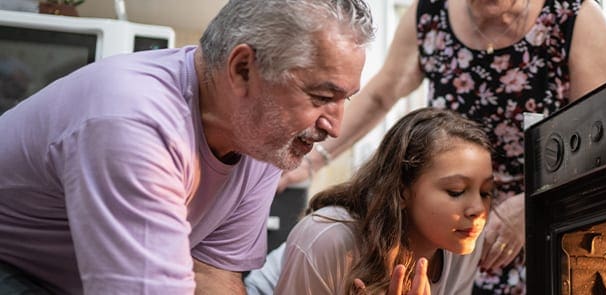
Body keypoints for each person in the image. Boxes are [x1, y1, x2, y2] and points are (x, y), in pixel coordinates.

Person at [0, 0, 374, 294]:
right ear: (243, 69)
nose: (335, 126)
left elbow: (212, 273)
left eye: (346, 100)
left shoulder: (260, 137)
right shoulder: (132, 122)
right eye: (322, 96)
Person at [277, 0, 606, 293]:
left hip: (547, 215)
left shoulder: (573, 17)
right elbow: (382, 92)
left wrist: (538, 202)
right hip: (448, 225)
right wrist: (310, 160)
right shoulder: (430, 13)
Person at [275, 107, 495, 294]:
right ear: (401, 192)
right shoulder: (327, 239)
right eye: (456, 191)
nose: (478, 210)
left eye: (486, 192)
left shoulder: (465, 239)